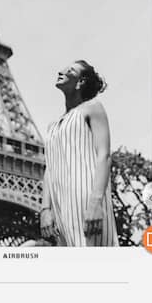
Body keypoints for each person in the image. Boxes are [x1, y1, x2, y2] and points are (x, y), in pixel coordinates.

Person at [40, 60, 118, 246]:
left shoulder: (93, 108)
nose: (61, 70)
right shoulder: (52, 126)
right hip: (61, 205)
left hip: (86, 198)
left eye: (70, 70)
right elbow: (50, 168)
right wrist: (45, 209)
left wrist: (96, 201)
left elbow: (104, 155)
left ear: (80, 82)